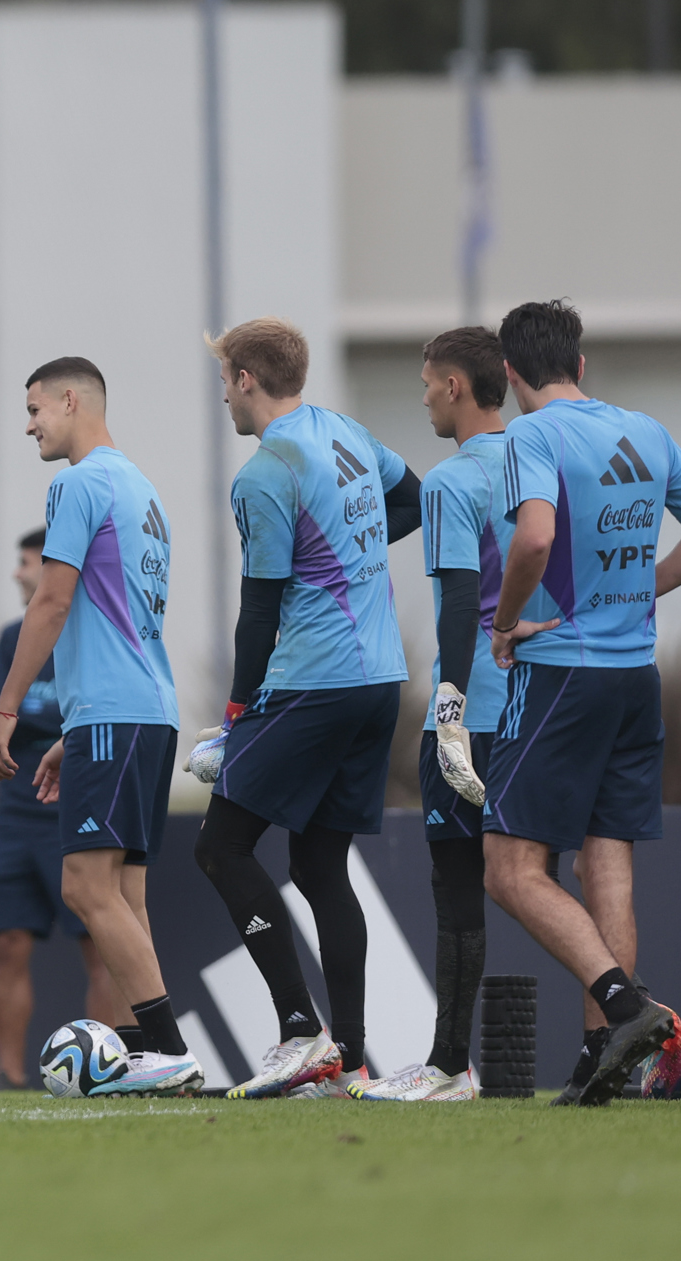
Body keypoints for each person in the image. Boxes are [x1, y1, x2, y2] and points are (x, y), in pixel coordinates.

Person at [480, 299, 681, 1106]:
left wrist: (503, 623)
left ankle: (628, 1008)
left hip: (563, 673)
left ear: (512, 375)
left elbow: (533, 538)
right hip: (635, 674)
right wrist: (643, 589)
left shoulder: (531, 434)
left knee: (509, 868)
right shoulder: (645, 430)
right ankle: (605, 1054)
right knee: (608, 866)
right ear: (581, 365)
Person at [184, 318, 422, 1100]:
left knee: (220, 847)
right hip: (380, 683)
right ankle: (348, 1060)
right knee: (320, 865)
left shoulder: (264, 473)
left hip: (314, 684)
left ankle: (297, 1028)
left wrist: (236, 709)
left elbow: (258, 613)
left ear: (247, 380)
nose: (222, 392)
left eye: (225, 378)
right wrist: (351, 567)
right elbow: (412, 500)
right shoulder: (345, 431)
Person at [0, 357, 203, 1097]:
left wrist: (6, 710)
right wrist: (73, 733)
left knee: (84, 888)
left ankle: (167, 1047)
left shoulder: (76, 484)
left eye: (36, 408)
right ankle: (145, 1052)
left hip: (115, 713)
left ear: (72, 400)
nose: (30, 424)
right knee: (125, 896)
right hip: (147, 712)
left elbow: (51, 603)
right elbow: (126, 620)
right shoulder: (141, 489)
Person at [352, 328, 508, 1103]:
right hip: (541, 703)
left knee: (456, 882)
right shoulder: (541, 465)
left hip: (472, 711)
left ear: (454, 385)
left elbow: (456, 602)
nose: (420, 397)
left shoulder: (451, 481)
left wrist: (448, 710)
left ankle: (449, 1066)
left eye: (425, 383)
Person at [0, 527, 123, 1089]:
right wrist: (43, 724)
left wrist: (36, 724)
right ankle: (6, 1075)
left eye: (26, 562)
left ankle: (102, 1072)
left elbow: (89, 717)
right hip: (14, 814)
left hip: (77, 808)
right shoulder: (11, 638)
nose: (17, 573)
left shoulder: (92, 636)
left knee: (98, 946)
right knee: (9, 943)